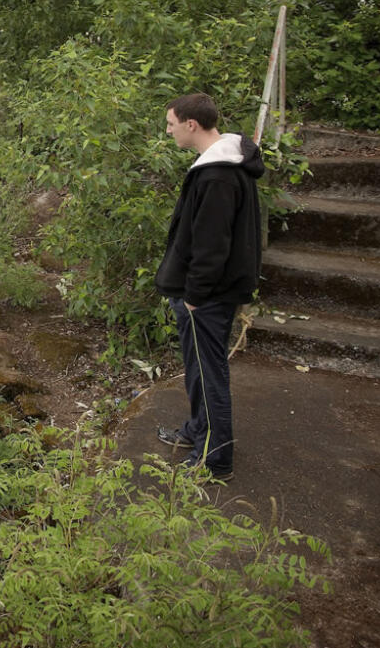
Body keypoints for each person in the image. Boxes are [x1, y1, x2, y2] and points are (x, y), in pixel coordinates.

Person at [154, 93, 264, 481]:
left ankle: (215, 460)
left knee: (209, 373)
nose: (167, 131)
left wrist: (196, 296)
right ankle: (199, 431)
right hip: (211, 292)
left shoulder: (218, 175)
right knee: (199, 370)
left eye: (170, 123)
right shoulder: (222, 164)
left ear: (191, 125)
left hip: (208, 296)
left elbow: (212, 245)